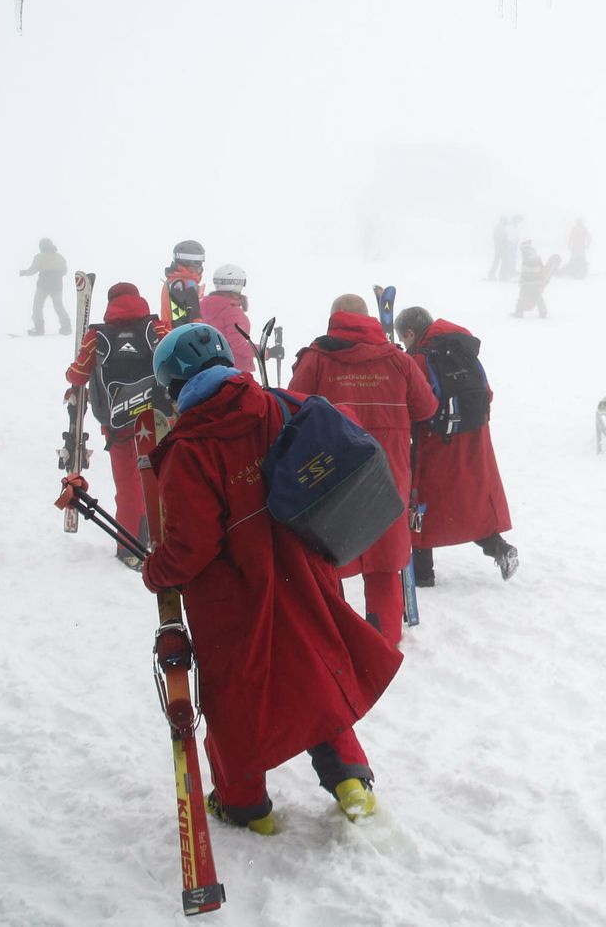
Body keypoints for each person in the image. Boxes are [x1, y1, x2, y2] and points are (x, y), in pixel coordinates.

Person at [142, 323, 403, 835]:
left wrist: (157, 570)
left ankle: (246, 806)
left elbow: (191, 546)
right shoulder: (281, 404)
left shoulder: (188, 448)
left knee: (237, 696)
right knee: (315, 668)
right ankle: (350, 782)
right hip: (304, 571)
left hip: (234, 597)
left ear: (173, 386)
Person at [288, 294, 438, 645]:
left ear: (333, 319)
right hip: (389, 477)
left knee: (327, 560)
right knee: (385, 563)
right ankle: (385, 639)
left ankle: (334, 635)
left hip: (332, 478)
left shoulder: (316, 360)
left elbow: (291, 409)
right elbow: (427, 408)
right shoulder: (397, 360)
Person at [394, 306, 517, 587]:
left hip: (434, 441)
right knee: (471, 500)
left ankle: (422, 574)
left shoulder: (422, 359)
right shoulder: (462, 348)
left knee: (420, 502)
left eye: (404, 341)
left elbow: (417, 403)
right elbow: (488, 393)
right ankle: (498, 547)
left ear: (411, 333)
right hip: (475, 438)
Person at [64, 282, 167, 569]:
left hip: (119, 425)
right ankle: (157, 537)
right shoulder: (155, 329)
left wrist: (70, 372)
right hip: (156, 421)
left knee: (129, 485)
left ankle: (129, 547)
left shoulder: (97, 335)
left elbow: (77, 375)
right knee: (160, 478)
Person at [199, 263, 256, 376]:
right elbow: (239, 346)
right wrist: (267, 352)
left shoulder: (203, 305)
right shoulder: (232, 311)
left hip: (211, 368)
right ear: (235, 284)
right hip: (235, 371)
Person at [18, 238, 71, 336]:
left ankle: (39, 328)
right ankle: (66, 326)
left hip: (43, 284)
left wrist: (24, 272)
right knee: (58, 305)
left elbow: (33, 270)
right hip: (57, 284)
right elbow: (65, 271)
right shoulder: (59, 257)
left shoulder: (39, 257)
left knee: (37, 306)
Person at [162, 240, 206, 328]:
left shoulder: (172, 281)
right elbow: (182, 320)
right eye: (197, 263)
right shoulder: (183, 285)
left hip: (171, 335)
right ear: (187, 262)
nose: (200, 267)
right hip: (183, 338)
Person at [512, 242, 552, 318]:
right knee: (538, 296)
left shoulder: (525, 258)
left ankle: (519, 312)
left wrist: (521, 281)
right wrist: (542, 279)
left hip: (527, 282)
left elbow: (525, 272)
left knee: (522, 296)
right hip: (537, 282)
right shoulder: (537, 257)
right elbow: (542, 269)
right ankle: (543, 311)